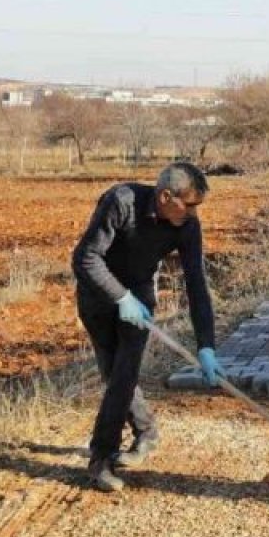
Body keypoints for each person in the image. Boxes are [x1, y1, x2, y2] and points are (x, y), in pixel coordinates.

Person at [72, 162, 224, 493]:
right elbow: (85, 258)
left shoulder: (187, 226)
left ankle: (101, 458)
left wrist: (206, 345)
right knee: (113, 374)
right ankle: (147, 431)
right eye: (191, 204)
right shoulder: (121, 201)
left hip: (139, 294)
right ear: (166, 196)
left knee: (124, 374)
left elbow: (196, 284)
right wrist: (119, 296)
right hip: (98, 295)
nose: (195, 213)